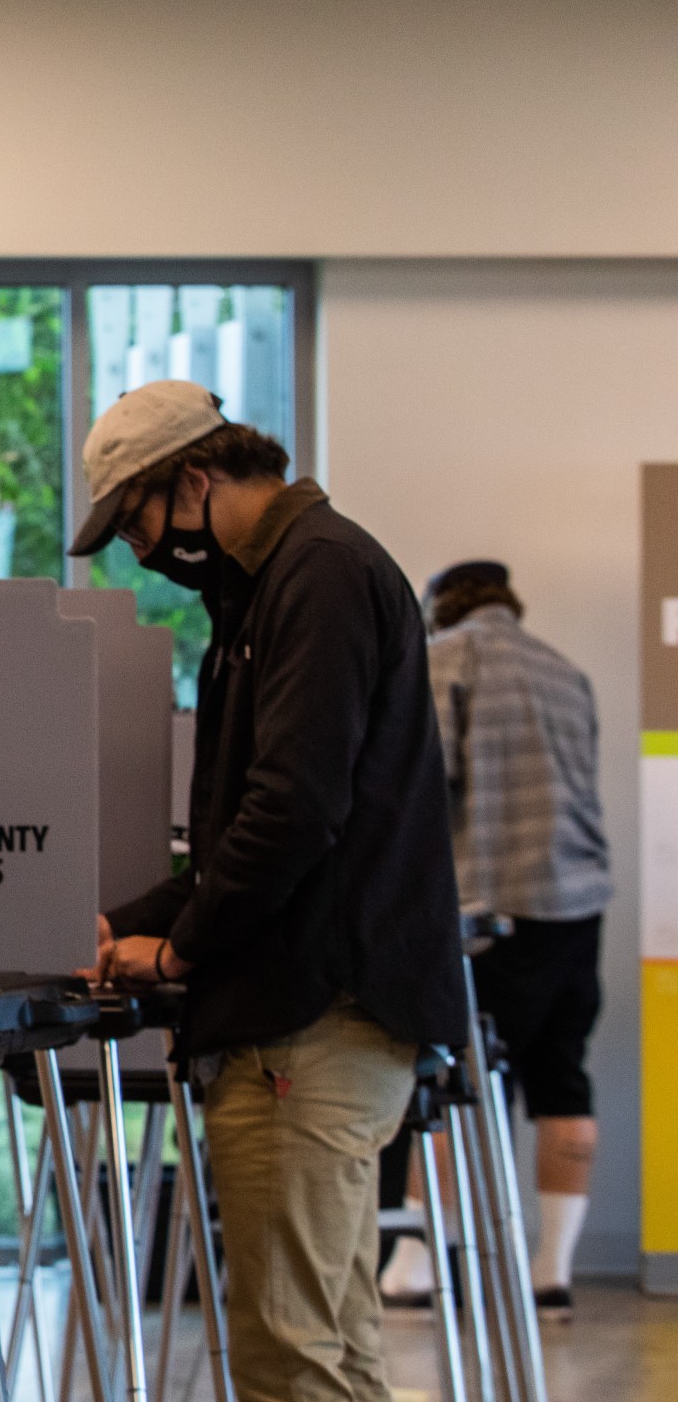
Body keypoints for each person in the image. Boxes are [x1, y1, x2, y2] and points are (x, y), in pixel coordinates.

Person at [69, 381, 470, 1402]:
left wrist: (181, 948)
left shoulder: (317, 576)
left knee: (288, 1359)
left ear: (194, 478)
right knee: (331, 1351)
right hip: (324, 1018)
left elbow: (291, 811)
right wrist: (133, 921)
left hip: (309, 1025)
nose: (137, 548)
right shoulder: (278, 585)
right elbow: (239, 833)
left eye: (135, 520)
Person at [377, 561, 609, 1318]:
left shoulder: (451, 656)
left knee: (453, 1078)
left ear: (441, 606)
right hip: (578, 909)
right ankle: (552, 1273)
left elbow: (419, 785)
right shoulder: (566, 672)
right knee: (561, 1080)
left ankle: (416, 1264)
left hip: (491, 909)